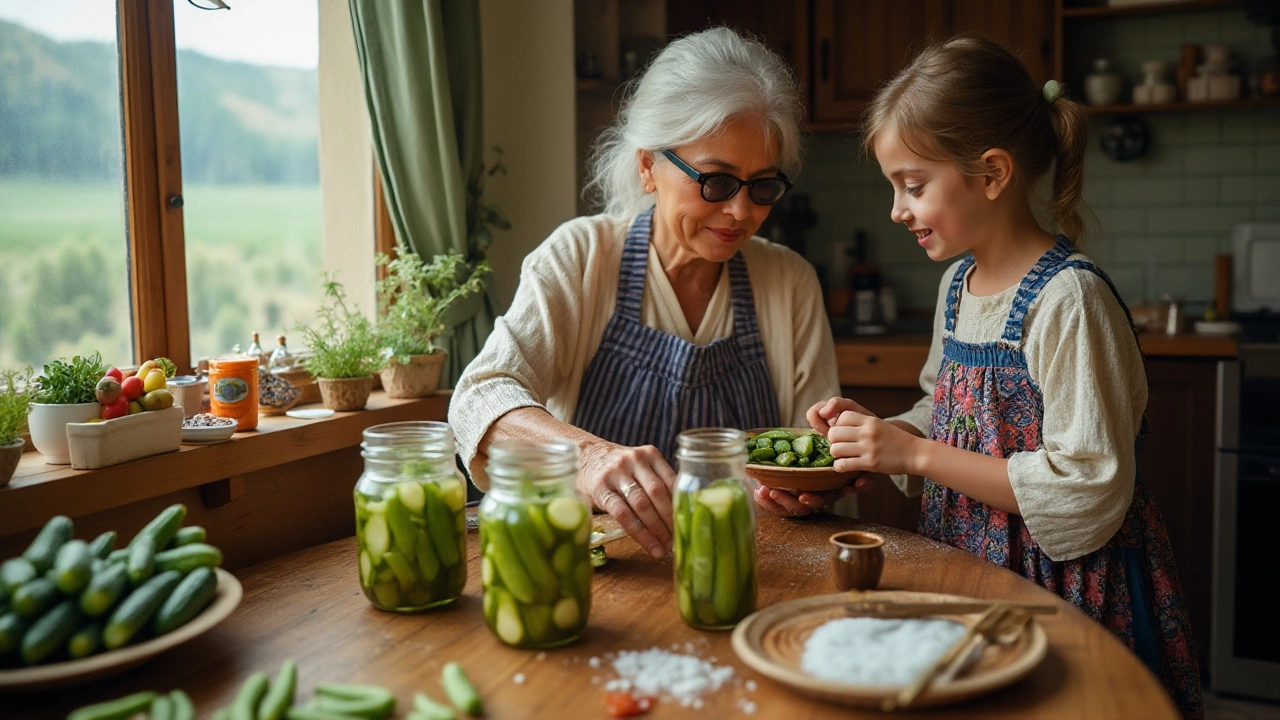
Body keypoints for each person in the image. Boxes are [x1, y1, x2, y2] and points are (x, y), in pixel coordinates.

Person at [801, 36, 1202, 717]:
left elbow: (1088, 486)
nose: (897, 210)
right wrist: (885, 433)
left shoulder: (1069, 301)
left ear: (991, 174)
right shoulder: (959, 286)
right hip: (970, 569)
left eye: (914, 185)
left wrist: (917, 455)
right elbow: (949, 410)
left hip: (1068, 593)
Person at [449, 27, 840, 560]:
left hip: (746, 563)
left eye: (763, 186)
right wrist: (587, 457)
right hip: (601, 573)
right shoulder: (581, 259)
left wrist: (814, 487)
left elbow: (811, 454)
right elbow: (479, 397)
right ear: (648, 166)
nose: (742, 212)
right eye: (716, 182)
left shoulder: (789, 281)